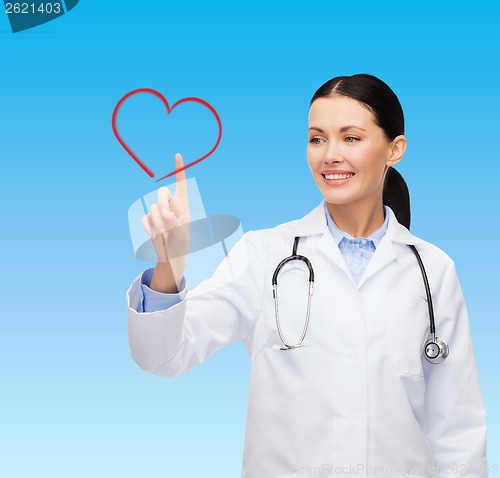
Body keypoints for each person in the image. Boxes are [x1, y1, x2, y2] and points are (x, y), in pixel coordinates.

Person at [126, 74, 488, 478]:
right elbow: (163, 356)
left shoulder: (432, 270)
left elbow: (458, 430)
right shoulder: (264, 256)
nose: (329, 155)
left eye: (350, 138)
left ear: (394, 149)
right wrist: (170, 266)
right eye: (317, 139)